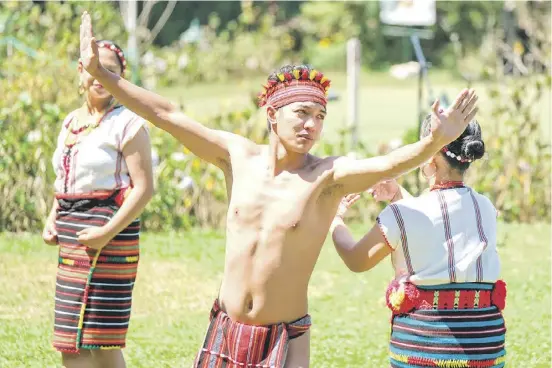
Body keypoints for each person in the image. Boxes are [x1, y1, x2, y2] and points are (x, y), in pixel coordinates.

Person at [79, 11, 478, 368]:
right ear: (272, 114)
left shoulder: (328, 177)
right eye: (302, 113)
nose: (312, 125)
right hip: (225, 327)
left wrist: (430, 145)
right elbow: (168, 114)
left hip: (285, 339)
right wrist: (105, 76)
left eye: (320, 116)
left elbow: (387, 164)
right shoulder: (236, 157)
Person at [330, 116, 506, 368]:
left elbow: (356, 259)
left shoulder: (403, 213)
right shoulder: (486, 208)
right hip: (486, 350)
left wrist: (335, 219)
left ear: (428, 158)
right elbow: (438, 226)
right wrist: (398, 194)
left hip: (424, 348)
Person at [42, 37, 154, 368]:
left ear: (121, 76)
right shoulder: (70, 121)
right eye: (94, 68)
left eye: (111, 69)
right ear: (81, 71)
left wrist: (106, 233)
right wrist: (53, 217)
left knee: (101, 338)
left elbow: (144, 188)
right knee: (69, 339)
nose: (101, 75)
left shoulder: (128, 123)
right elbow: (63, 179)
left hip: (112, 235)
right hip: (73, 236)